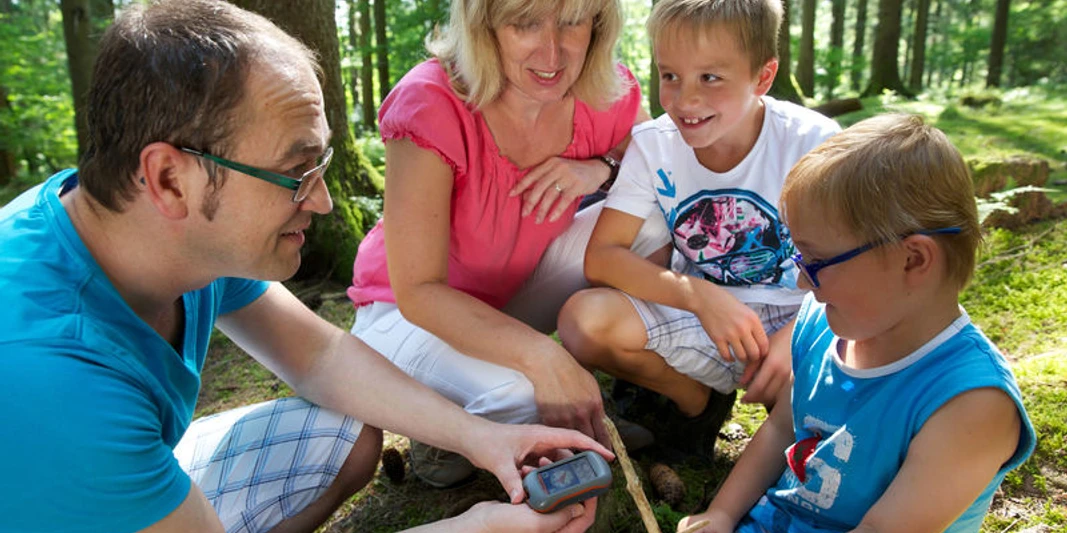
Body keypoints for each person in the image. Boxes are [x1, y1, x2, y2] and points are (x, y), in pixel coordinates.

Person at [0, 2, 614, 532]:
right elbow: (76, 410)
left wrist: (484, 438)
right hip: (65, 452)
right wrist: (470, 527)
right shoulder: (54, 379)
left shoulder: (153, 226)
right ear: (169, 177)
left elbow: (319, 358)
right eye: (295, 173)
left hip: (93, 466)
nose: (322, 201)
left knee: (346, 436)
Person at [347, 0, 666, 486]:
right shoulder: (429, 102)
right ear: (485, 26)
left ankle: (618, 388)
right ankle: (445, 423)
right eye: (525, 24)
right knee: (519, 392)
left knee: (652, 221)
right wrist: (543, 355)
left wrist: (601, 168)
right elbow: (418, 292)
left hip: (508, 296)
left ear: (598, 24)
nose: (553, 53)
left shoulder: (604, 90)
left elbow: (665, 175)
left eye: (571, 23)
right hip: (402, 311)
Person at [675, 113, 1036, 533]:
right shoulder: (819, 325)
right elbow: (780, 428)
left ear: (913, 260)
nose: (801, 281)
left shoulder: (971, 401)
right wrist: (721, 514)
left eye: (817, 261)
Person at [557, 0, 840, 459]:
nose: (685, 100)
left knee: (819, 436)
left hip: (801, 316)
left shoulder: (813, 143)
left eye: (710, 78)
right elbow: (603, 257)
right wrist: (700, 296)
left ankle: (787, 420)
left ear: (763, 77)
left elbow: (863, 267)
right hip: (703, 316)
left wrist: (800, 333)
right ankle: (695, 402)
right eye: (670, 75)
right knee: (582, 321)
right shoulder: (654, 146)